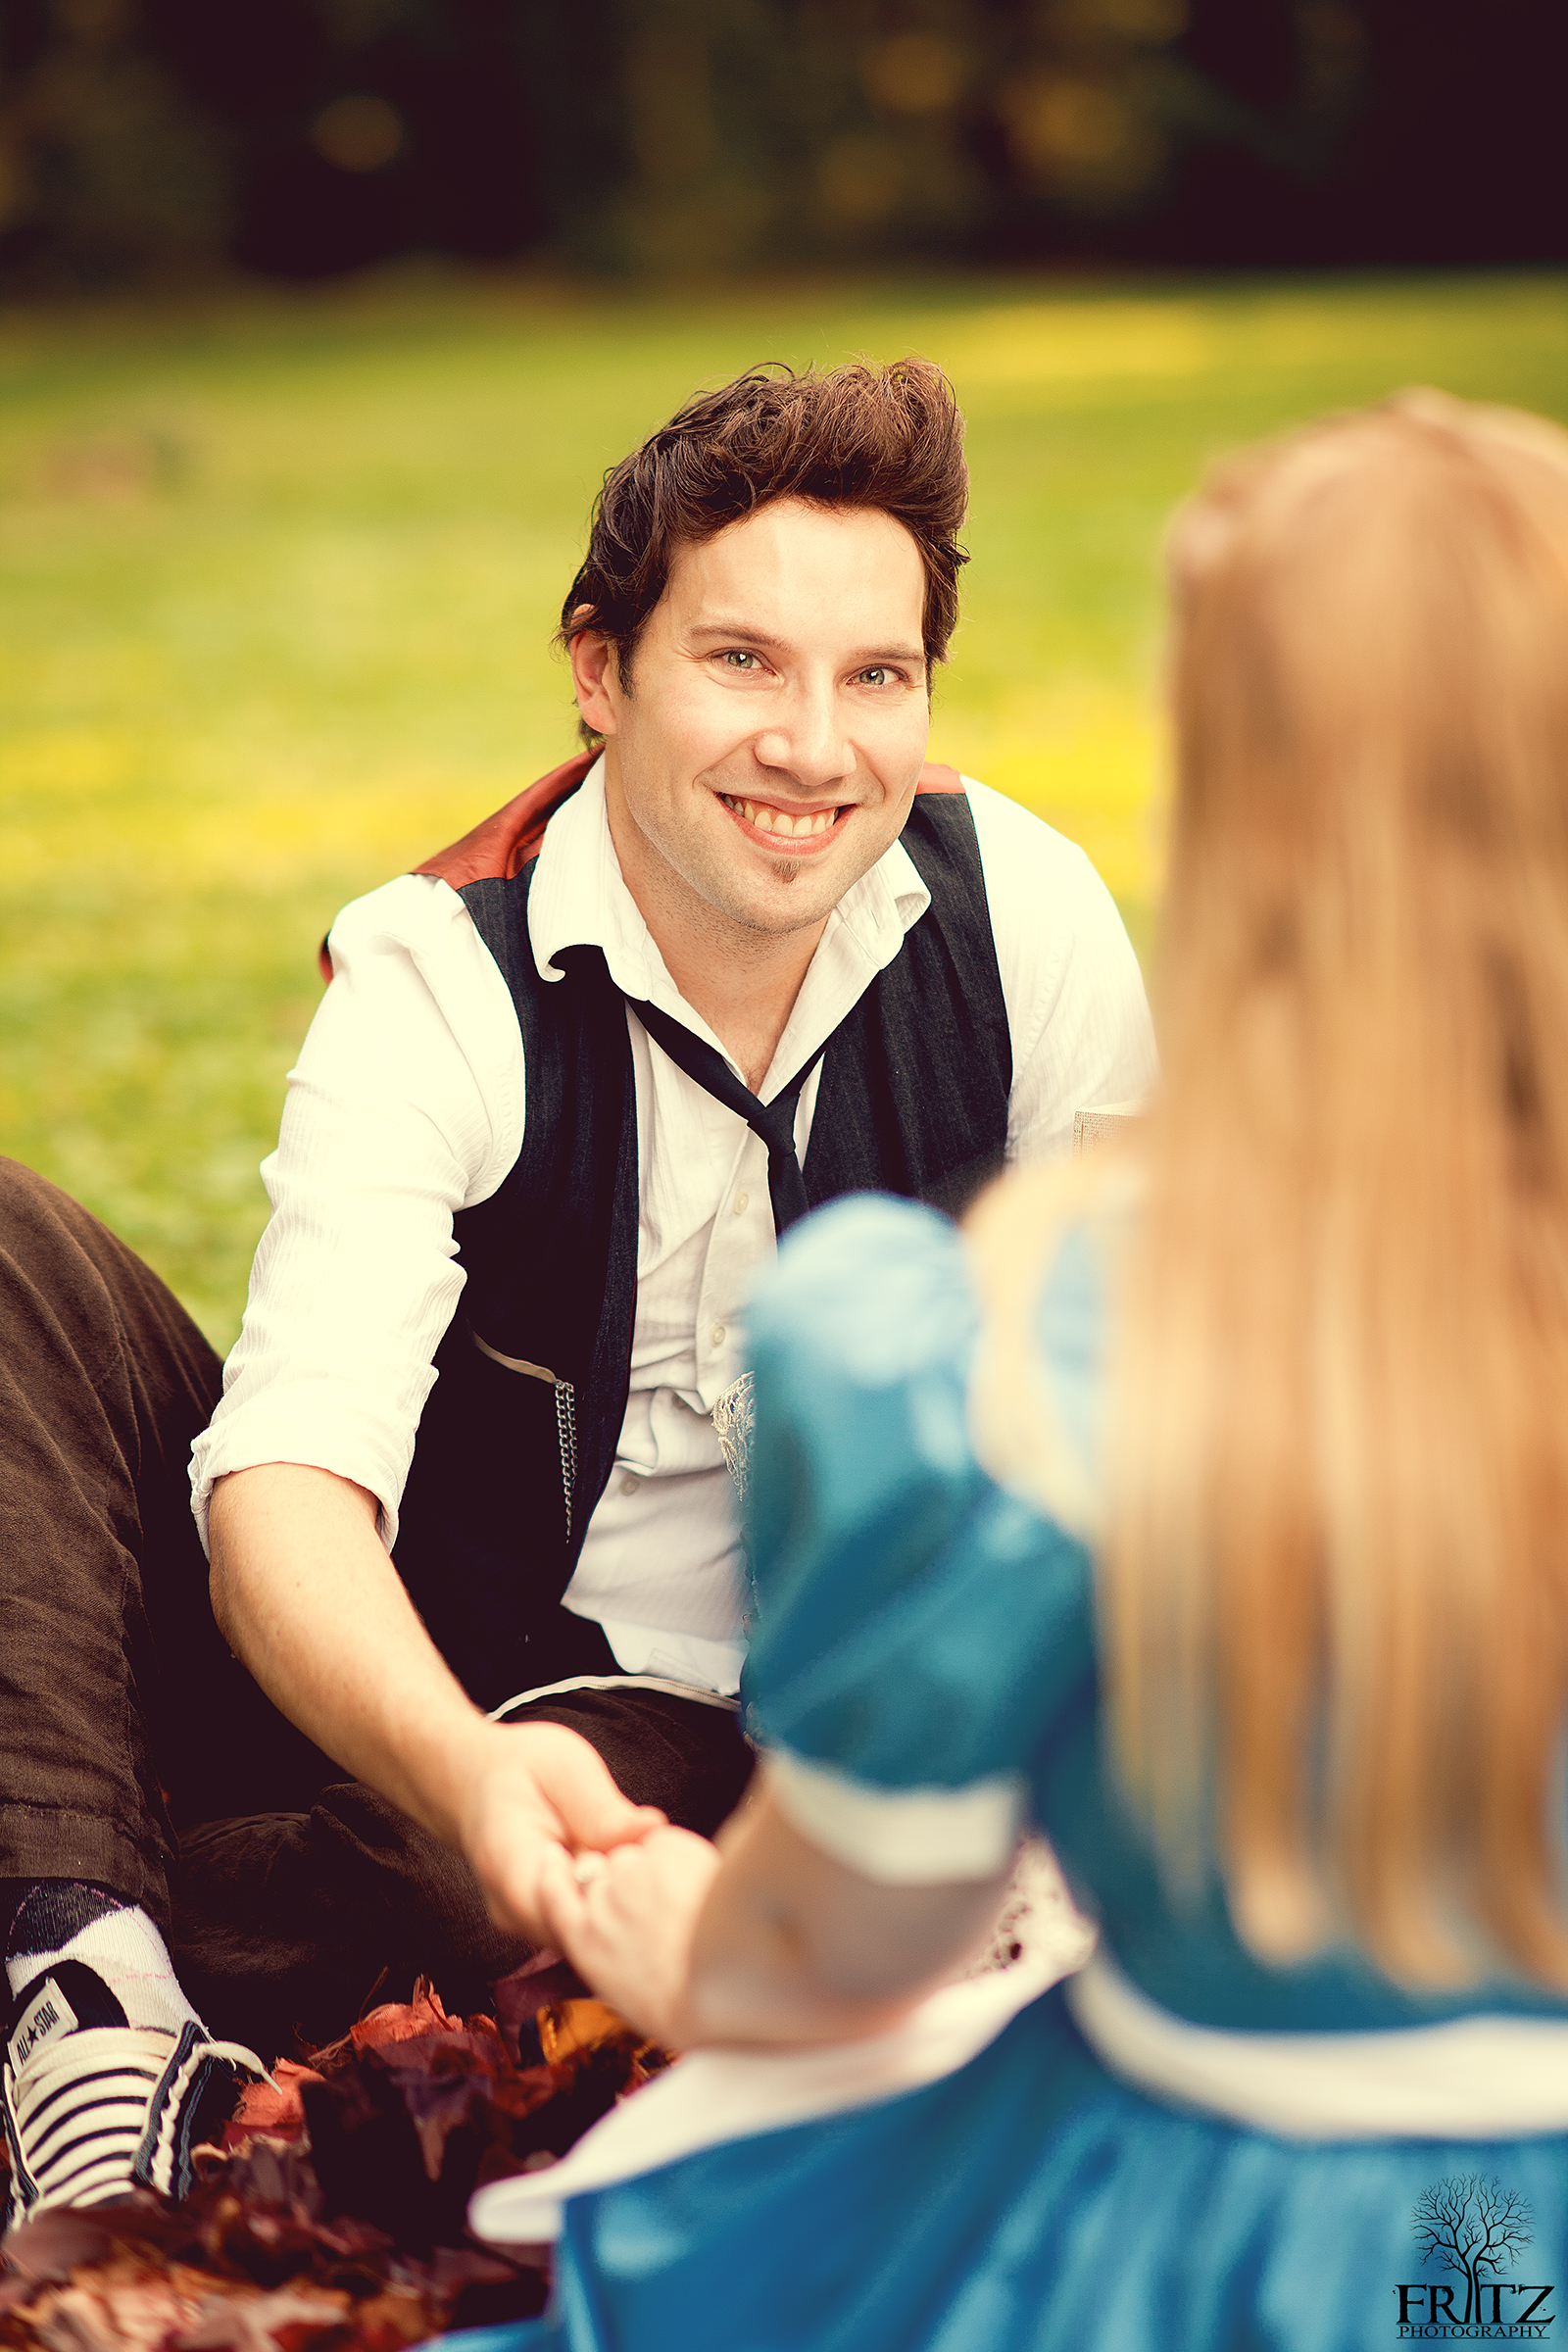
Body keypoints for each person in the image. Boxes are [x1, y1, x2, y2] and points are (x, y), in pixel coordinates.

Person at [461, 390, 1568, 2352]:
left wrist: (687, 1950)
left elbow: (842, 1941)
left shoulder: (1046, 1337)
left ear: (1252, 812)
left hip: (1207, 2245)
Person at [0, 358, 1154, 2227]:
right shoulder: (435, 976)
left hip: (751, 1740)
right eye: (743, 663)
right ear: (600, 669)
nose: (816, 746)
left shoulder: (1026, 919)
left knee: (500, 1894)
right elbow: (287, 1479)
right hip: (415, 1670)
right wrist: (462, 1764)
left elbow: (1150, 1392)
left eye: (879, 676)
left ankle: (111, 1855)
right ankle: (89, 1991)